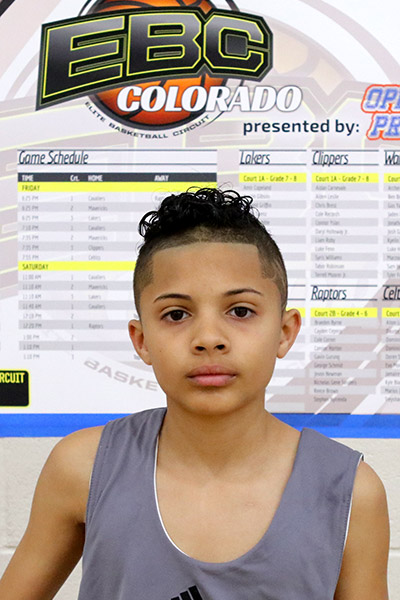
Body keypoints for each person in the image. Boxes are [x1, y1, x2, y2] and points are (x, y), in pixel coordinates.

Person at [0, 188, 389, 600]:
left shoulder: (351, 493)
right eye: (176, 314)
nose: (208, 338)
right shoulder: (84, 468)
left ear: (284, 331)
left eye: (240, 311)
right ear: (141, 340)